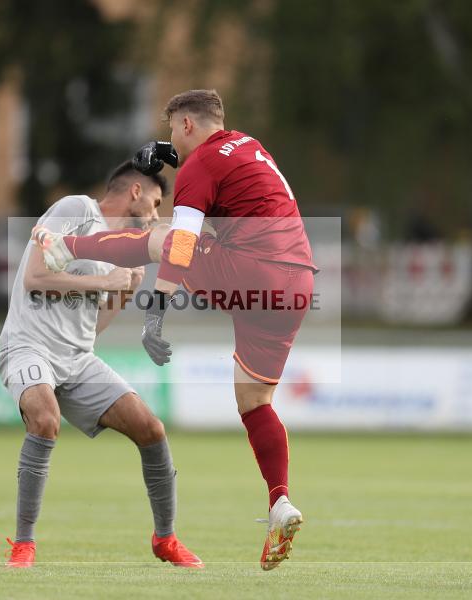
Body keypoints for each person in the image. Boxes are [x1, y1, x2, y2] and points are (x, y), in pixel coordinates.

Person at [32, 89, 317, 570]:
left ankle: (67, 247)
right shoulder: (249, 146)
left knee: (163, 238)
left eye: (171, 131)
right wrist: (170, 156)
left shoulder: (201, 167)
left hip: (256, 271)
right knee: (254, 401)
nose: (170, 140)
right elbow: (218, 171)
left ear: (185, 125)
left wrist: (155, 311)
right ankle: (279, 502)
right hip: (297, 286)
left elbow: (182, 242)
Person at [0, 161, 202, 569]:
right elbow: (35, 277)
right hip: (28, 345)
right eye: (157, 202)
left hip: (77, 358)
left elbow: (94, 329)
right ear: (135, 192)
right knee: (45, 419)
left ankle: (166, 539)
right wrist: (104, 282)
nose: (157, 214)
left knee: (152, 429)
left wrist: (123, 294)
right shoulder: (76, 210)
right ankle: (23, 545)